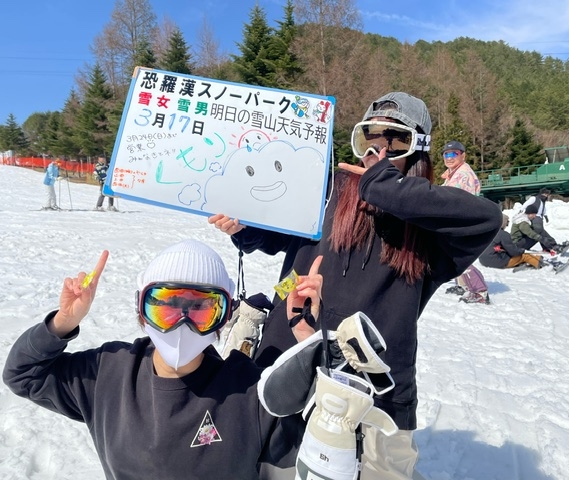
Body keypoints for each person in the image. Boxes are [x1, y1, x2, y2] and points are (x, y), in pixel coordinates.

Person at [210, 92, 502, 479]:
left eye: (395, 140)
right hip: (290, 373)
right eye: (370, 138)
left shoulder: (429, 233)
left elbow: (486, 219)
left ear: (419, 150)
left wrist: (383, 187)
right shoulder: (326, 192)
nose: (379, 150)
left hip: (375, 398)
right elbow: (278, 231)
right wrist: (246, 227)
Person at [3, 239, 326, 479]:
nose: (182, 323)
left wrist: (310, 345)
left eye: (201, 308)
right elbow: (23, 374)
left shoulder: (248, 390)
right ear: (142, 311)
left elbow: (321, 445)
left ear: (224, 316)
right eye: (166, 306)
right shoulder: (108, 373)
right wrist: (63, 322)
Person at [441, 140, 490, 304]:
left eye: (453, 154)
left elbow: (456, 202)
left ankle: (479, 291)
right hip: (456, 222)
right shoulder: (453, 173)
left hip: (460, 223)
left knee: (459, 258)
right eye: (446, 154)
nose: (449, 157)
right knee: (451, 256)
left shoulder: (463, 175)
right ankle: (462, 285)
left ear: (463, 155)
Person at [479, 214, 544, 270]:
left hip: (483, 260)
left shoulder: (488, 232)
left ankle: (521, 262)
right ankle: (540, 263)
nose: (507, 225)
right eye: (507, 223)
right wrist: (522, 251)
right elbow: (513, 252)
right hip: (497, 262)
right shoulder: (503, 234)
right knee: (525, 256)